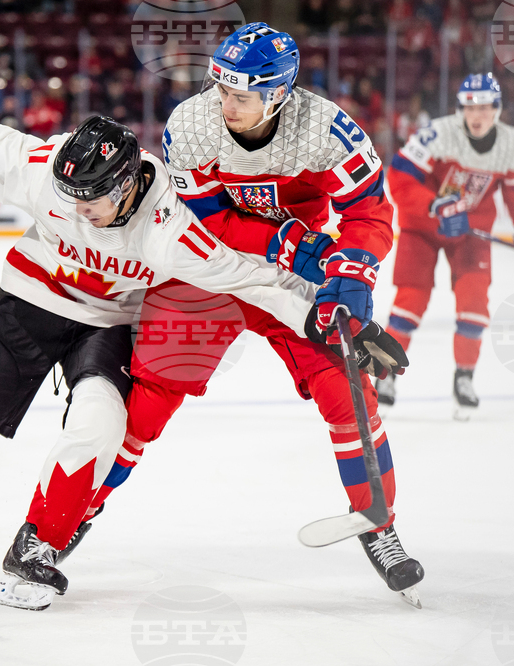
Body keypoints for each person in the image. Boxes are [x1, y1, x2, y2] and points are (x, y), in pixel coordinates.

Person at [0, 115, 321, 610]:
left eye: (91, 200)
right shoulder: (49, 174)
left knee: (101, 422)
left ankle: (37, 546)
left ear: (126, 185)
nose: (79, 211)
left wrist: (326, 314)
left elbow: (251, 279)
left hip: (106, 322)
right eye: (72, 197)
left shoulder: (171, 229)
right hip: (26, 302)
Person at [73, 23, 424, 608]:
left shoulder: (328, 131)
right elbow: (207, 219)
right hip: (208, 269)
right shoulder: (191, 122)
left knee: (350, 391)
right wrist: (291, 241)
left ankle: (378, 522)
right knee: (149, 399)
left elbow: (369, 210)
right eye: (221, 89)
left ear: (279, 93)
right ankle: (76, 511)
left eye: (240, 95)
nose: (224, 104)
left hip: (291, 279)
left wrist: (354, 273)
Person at [379, 73, 514, 419]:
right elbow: (398, 177)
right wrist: (434, 204)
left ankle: (464, 378)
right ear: (460, 109)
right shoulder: (438, 134)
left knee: (474, 301)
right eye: (471, 107)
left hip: (470, 230)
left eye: (486, 107)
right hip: (424, 226)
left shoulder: (513, 142)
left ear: (498, 109)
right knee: (410, 301)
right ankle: (384, 375)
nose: (478, 115)